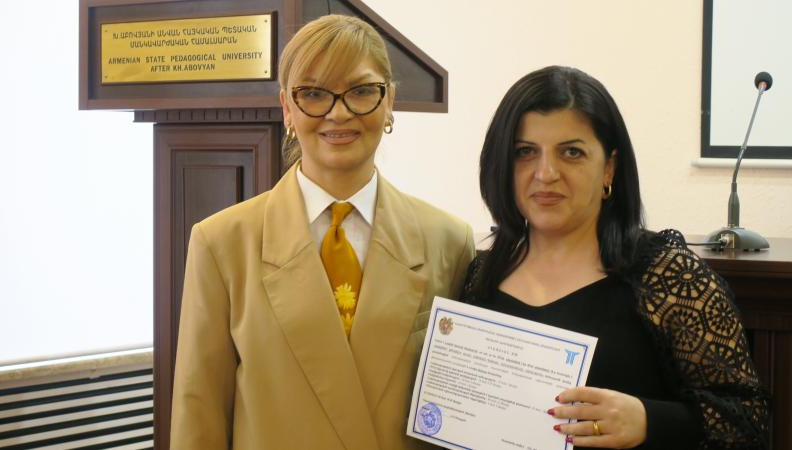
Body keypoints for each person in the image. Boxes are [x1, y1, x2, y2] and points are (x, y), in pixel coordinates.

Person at [169, 14, 475, 450]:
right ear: (287, 108)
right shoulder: (221, 243)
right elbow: (199, 418)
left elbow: (467, 413)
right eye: (313, 93)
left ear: (389, 101)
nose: (338, 112)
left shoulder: (449, 241)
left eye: (361, 91)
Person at [462, 66, 768, 449]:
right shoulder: (481, 275)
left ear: (609, 167)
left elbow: (749, 422)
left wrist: (648, 421)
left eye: (571, 152)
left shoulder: (667, 278)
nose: (546, 173)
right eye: (525, 152)